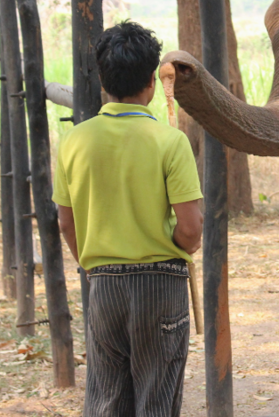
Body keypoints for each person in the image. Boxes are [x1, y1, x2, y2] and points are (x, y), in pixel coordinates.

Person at [53, 21, 204, 417]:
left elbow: (66, 224)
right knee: (156, 398)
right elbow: (191, 229)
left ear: (103, 80)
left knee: (106, 400)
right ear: (152, 81)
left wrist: (91, 263)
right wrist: (175, 246)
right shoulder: (170, 141)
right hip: (161, 284)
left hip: (102, 285)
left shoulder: (73, 142)